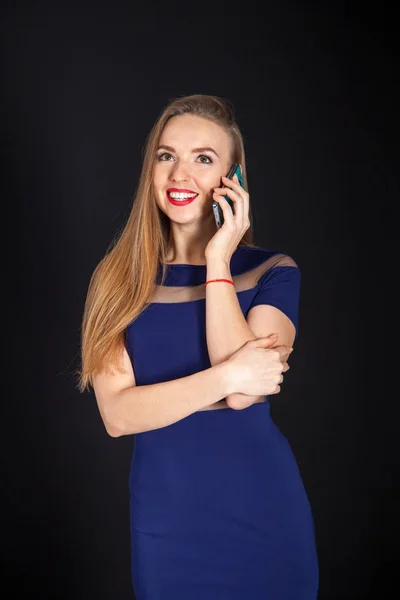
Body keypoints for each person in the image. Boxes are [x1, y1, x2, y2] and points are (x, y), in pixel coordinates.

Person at [77, 94, 319, 599]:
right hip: (168, 522)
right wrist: (229, 374)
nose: (179, 175)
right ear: (151, 170)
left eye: (203, 159)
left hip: (264, 511)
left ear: (234, 180)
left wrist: (217, 260)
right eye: (167, 156)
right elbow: (118, 417)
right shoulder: (116, 281)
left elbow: (244, 399)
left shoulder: (274, 271)